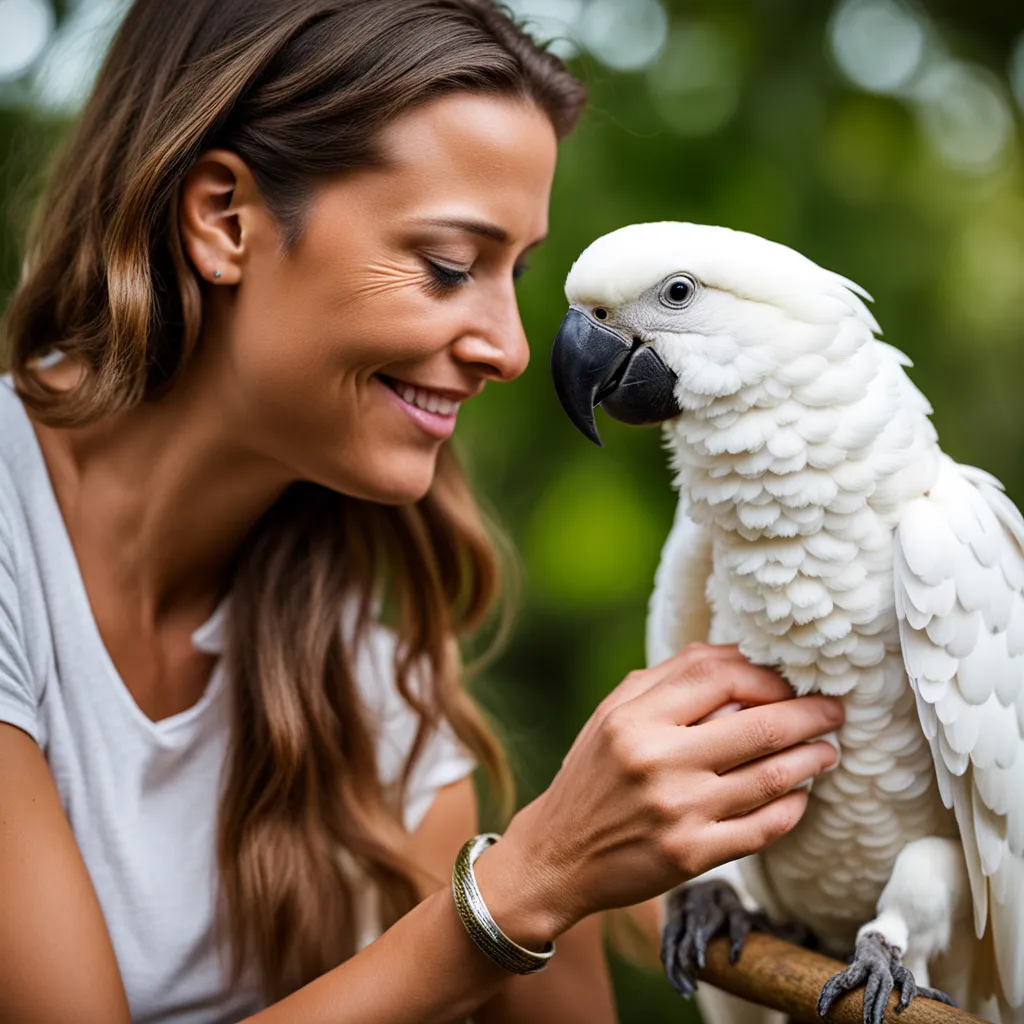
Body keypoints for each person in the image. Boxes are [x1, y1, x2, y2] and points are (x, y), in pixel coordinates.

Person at [0, 1, 844, 1021]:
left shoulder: (348, 670)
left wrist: (590, 863)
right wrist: (528, 879)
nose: (510, 348)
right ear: (224, 218)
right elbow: (513, 897)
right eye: (449, 264)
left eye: (512, 273)